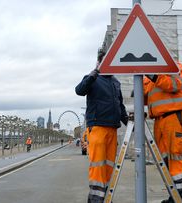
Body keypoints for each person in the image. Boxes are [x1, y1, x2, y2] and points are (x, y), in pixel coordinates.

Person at [75, 48, 128, 203]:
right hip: (97, 127)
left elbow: (120, 105)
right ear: (100, 62)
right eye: (106, 60)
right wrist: (94, 72)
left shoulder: (115, 82)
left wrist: (129, 122)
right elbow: (79, 90)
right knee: (98, 166)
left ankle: (106, 198)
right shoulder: (92, 78)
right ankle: (96, 200)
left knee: (109, 166)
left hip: (113, 128)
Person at [143, 62, 182, 203]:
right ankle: (173, 195)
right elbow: (148, 97)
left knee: (175, 157)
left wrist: (154, 76)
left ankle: (181, 197)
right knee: (164, 160)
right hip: (159, 120)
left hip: (173, 117)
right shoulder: (149, 74)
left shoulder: (173, 66)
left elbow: (175, 85)